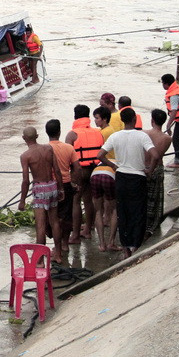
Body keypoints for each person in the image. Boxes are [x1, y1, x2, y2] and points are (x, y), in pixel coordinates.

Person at [97, 108, 159, 259]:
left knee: (123, 212)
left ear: (123, 121)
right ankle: (135, 245)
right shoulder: (142, 136)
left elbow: (100, 155)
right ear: (134, 120)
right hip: (138, 177)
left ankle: (125, 249)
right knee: (137, 212)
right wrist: (150, 169)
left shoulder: (115, 136)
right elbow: (155, 155)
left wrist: (113, 166)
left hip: (121, 177)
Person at [19, 126, 64, 264]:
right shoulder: (48, 149)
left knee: (40, 226)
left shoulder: (25, 156)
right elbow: (56, 170)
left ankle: (39, 260)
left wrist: (22, 200)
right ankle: (58, 254)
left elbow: (26, 181)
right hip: (52, 186)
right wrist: (61, 189)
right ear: (37, 136)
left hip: (39, 189)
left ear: (24, 138)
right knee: (55, 222)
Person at [64, 105, 102, 244]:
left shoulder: (72, 134)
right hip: (94, 169)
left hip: (78, 171)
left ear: (75, 116)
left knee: (75, 201)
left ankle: (74, 236)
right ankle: (87, 230)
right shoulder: (98, 132)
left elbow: (67, 155)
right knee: (89, 199)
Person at [45, 119, 80, 252]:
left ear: (46, 132)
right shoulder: (69, 148)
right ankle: (65, 244)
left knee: (52, 218)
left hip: (50, 186)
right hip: (66, 184)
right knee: (66, 216)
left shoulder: (45, 149)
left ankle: (57, 245)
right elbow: (77, 168)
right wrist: (75, 182)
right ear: (59, 132)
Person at [91, 106, 119, 251]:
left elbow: (98, 154)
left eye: (96, 118)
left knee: (98, 211)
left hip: (98, 171)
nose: (94, 121)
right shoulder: (109, 131)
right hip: (110, 171)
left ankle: (101, 244)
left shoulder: (105, 133)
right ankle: (111, 242)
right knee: (114, 208)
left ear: (104, 119)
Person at [144, 109, 172, 238]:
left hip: (144, 168)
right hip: (156, 169)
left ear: (152, 120)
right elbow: (158, 155)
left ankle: (143, 225)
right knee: (155, 199)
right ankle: (152, 226)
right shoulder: (167, 138)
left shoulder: (143, 133)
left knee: (143, 198)